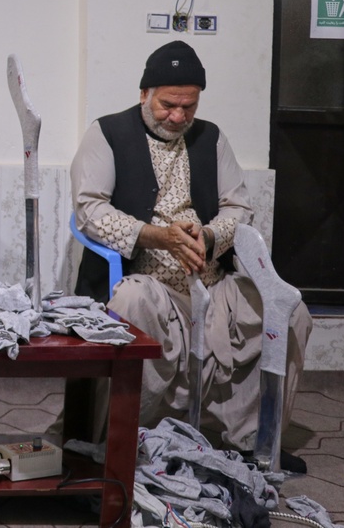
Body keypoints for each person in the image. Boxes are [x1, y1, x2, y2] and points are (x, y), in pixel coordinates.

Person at [70, 40, 312, 451]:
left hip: (212, 282)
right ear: (144, 94)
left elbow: (238, 207)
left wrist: (212, 236)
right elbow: (89, 209)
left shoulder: (211, 138)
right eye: (168, 105)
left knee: (290, 313)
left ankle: (256, 440)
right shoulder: (107, 133)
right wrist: (157, 236)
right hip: (148, 282)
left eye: (189, 106)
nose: (179, 116)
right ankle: (121, 441)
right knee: (129, 301)